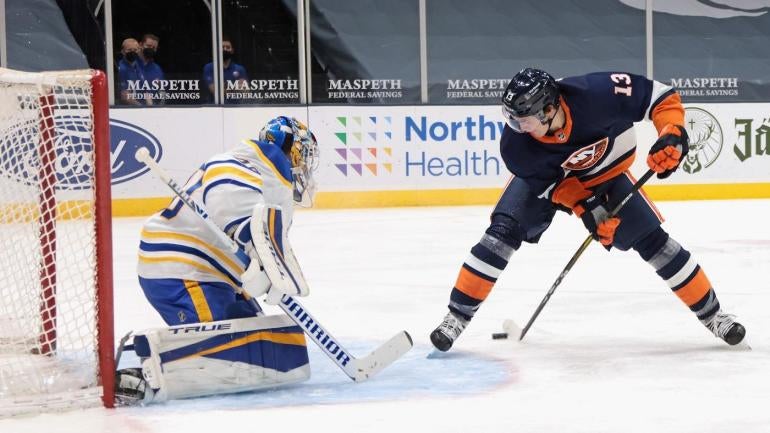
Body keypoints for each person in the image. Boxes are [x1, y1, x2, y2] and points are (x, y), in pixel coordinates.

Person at [429, 68, 746, 351]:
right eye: (512, 119)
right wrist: (586, 209)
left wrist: (672, 132)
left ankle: (714, 316)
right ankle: (456, 317)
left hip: (605, 173)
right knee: (501, 234)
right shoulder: (517, 147)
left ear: (550, 110)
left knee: (655, 242)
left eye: (524, 120)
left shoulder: (596, 94)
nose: (517, 127)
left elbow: (660, 97)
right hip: (555, 182)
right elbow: (555, 187)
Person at [116, 117, 320, 404]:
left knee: (265, 344)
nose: (306, 166)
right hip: (181, 269)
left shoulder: (272, 182)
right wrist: (260, 257)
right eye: (303, 154)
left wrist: (270, 270)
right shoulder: (237, 163)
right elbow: (236, 213)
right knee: (229, 357)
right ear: (289, 149)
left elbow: (264, 240)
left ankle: (156, 357)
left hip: (215, 276)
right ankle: (136, 372)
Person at [203, 37, 249, 103]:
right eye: (222, 47)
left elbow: (246, 92)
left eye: (228, 47)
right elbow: (215, 91)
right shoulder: (209, 67)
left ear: (232, 50)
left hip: (235, 107)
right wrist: (235, 88)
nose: (225, 49)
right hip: (213, 107)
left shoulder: (240, 69)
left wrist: (224, 88)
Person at [137, 33, 165, 105]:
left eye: (154, 48)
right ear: (140, 45)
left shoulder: (157, 69)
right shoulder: (131, 64)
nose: (151, 49)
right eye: (148, 46)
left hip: (152, 111)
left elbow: (162, 95)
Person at [116, 38, 143, 105]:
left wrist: (151, 106)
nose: (132, 52)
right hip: (126, 108)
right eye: (129, 50)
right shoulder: (121, 69)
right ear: (122, 51)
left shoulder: (139, 66)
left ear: (139, 50)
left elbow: (146, 89)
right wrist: (142, 107)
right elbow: (125, 96)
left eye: (135, 50)